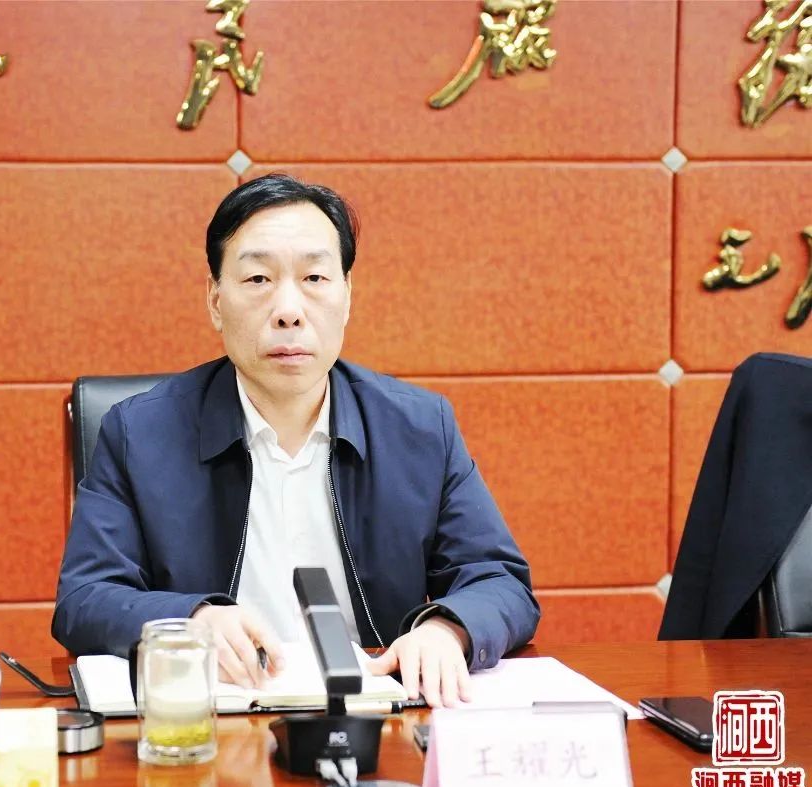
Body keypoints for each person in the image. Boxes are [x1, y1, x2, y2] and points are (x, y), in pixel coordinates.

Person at [53, 174, 539, 707]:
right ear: (215, 300)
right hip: (216, 719)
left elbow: (499, 581)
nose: (289, 310)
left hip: (374, 717)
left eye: (314, 277)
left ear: (347, 296)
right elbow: (85, 598)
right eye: (258, 278)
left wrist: (448, 628)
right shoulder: (139, 433)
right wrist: (190, 619)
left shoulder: (420, 428)